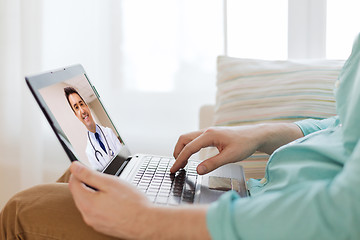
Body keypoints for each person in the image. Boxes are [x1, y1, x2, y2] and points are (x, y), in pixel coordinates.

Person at [1, 35, 360, 239]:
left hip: (266, 222)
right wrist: (261, 133)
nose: (81, 112)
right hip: (265, 201)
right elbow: (344, 127)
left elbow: (345, 216)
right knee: (83, 180)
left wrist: (147, 219)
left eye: (83, 106)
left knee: (24, 208)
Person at [64, 87, 123, 170]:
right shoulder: (89, 152)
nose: (82, 111)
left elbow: (126, 159)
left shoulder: (108, 132)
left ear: (87, 106)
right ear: (76, 115)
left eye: (81, 104)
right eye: (76, 108)